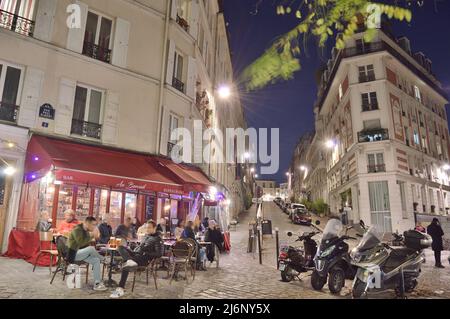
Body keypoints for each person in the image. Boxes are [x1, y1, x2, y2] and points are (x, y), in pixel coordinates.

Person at [110, 220, 163, 298]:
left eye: (149, 228)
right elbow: (141, 247)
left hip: (145, 259)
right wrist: (134, 248)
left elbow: (159, 254)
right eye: (146, 228)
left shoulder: (158, 239)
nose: (147, 229)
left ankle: (121, 288)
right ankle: (129, 260)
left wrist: (146, 253)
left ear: (154, 228)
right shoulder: (146, 236)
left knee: (126, 264)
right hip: (136, 254)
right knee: (120, 246)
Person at [66, 216, 106, 291]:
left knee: (96, 260)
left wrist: (94, 236)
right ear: (87, 223)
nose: (95, 227)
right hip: (72, 254)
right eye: (93, 225)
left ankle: (97, 284)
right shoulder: (77, 229)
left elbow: (86, 244)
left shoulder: (86, 230)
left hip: (81, 253)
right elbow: (81, 243)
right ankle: (104, 259)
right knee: (91, 249)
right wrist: (92, 235)